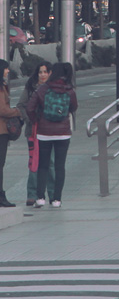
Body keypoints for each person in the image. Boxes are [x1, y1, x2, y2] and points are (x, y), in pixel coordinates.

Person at [27, 61, 77, 209]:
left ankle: (40, 197)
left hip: (44, 132)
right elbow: (74, 107)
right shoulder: (69, 89)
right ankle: (57, 200)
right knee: (59, 166)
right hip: (63, 133)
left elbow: (30, 107)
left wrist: (36, 119)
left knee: (43, 165)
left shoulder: (43, 89)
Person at [20, 63, 49, 206]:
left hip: (49, 131)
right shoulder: (30, 87)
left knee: (51, 163)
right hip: (32, 131)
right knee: (33, 162)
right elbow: (21, 105)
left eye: (45, 72)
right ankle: (32, 194)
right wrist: (29, 119)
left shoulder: (53, 87)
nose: (42, 75)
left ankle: (52, 194)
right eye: (40, 72)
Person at [0, 61, 18, 207]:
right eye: (6, 69)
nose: (7, 71)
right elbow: (2, 110)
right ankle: (1, 196)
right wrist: (17, 112)